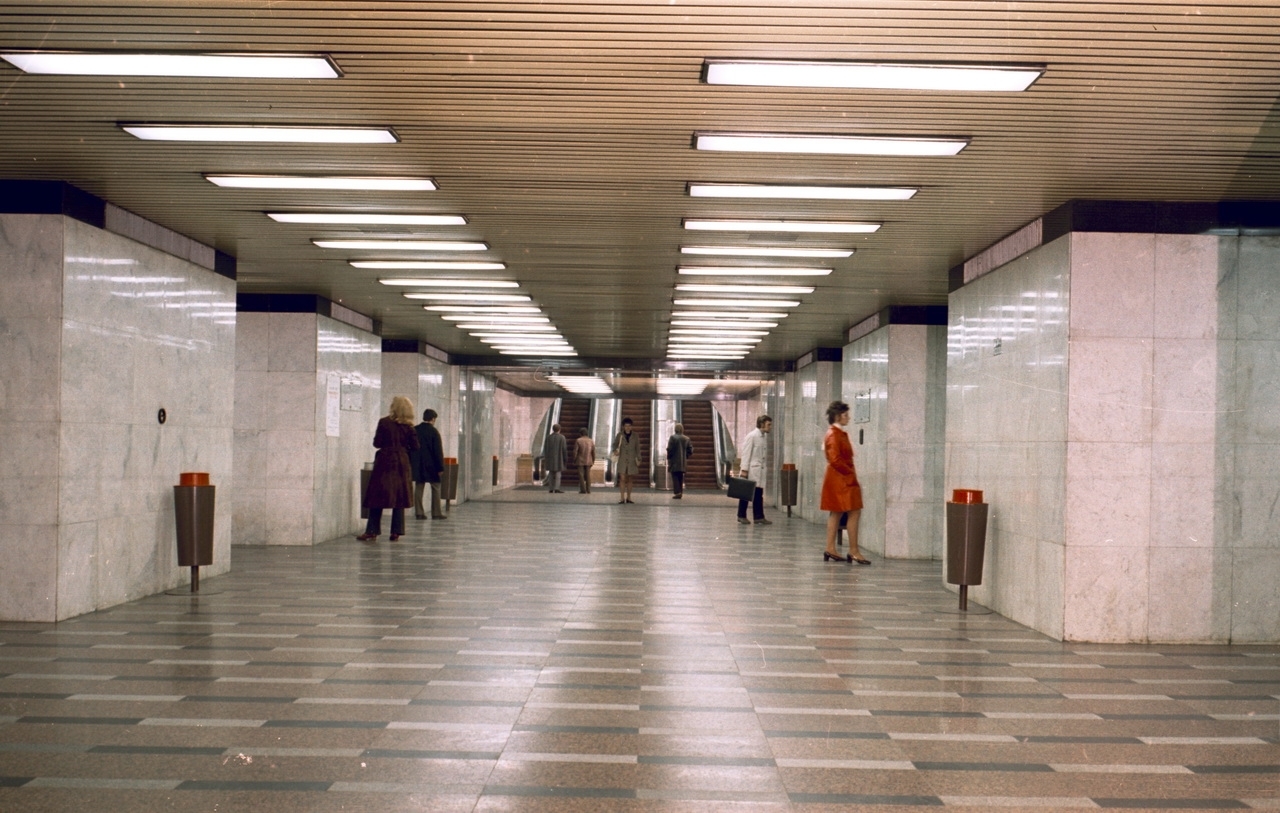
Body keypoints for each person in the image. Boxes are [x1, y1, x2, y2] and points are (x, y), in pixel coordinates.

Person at [358, 396, 419, 542]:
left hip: (385, 461)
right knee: (399, 497)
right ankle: (396, 532)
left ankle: (372, 530)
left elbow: (377, 443)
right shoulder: (409, 426)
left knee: (376, 496)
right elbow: (416, 446)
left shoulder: (384, 422)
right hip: (402, 462)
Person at [821, 400, 869, 565]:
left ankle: (830, 548)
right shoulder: (835, 434)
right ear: (838, 416)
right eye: (845, 415)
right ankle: (853, 550)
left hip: (836, 478)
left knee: (836, 513)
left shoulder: (835, 433)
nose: (848, 417)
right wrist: (850, 473)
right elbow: (835, 459)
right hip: (842, 479)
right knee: (854, 511)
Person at [737, 415, 772, 525]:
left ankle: (759, 517)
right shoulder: (751, 436)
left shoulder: (763, 437)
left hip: (759, 471)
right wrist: (744, 469)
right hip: (751, 470)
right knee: (746, 493)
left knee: (758, 494)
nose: (770, 427)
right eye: (768, 424)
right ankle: (741, 515)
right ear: (762, 424)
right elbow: (746, 453)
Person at [411, 408, 445, 520]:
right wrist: (440, 467)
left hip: (418, 464)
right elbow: (438, 451)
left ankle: (419, 512)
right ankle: (436, 513)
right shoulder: (434, 432)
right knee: (436, 487)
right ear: (433, 419)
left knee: (419, 487)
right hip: (432, 465)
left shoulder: (415, 430)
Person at [612, 417, 640, 504]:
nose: (627, 427)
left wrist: (639, 458)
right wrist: (615, 450)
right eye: (626, 426)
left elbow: (637, 448)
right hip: (622, 459)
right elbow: (614, 445)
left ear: (631, 427)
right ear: (623, 427)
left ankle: (629, 497)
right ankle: (621, 497)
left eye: (629, 426)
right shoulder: (619, 435)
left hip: (632, 459)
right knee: (622, 478)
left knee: (630, 478)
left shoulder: (635, 436)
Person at [666, 423, 693, 499]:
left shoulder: (672, 438)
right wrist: (685, 456)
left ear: (675, 429)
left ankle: (677, 492)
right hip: (682, 462)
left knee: (675, 477)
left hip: (674, 461)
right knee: (680, 477)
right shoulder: (686, 438)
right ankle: (680, 492)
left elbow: (669, 449)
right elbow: (690, 450)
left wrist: (669, 458)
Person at [544, 423, 567, 493]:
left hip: (550, 458)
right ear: (559, 429)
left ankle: (551, 488)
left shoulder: (548, 437)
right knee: (558, 474)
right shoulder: (562, 437)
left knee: (551, 473)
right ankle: (556, 488)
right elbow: (564, 449)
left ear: (553, 429)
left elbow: (546, 448)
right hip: (559, 458)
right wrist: (565, 458)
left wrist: (546, 457)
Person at [574, 427, 595, 493]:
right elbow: (593, 451)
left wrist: (574, 459)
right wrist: (593, 460)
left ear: (580, 433)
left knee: (581, 475)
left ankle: (583, 489)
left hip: (580, 460)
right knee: (588, 475)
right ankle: (588, 489)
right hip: (589, 460)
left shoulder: (578, 440)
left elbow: (575, 451)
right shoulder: (591, 441)